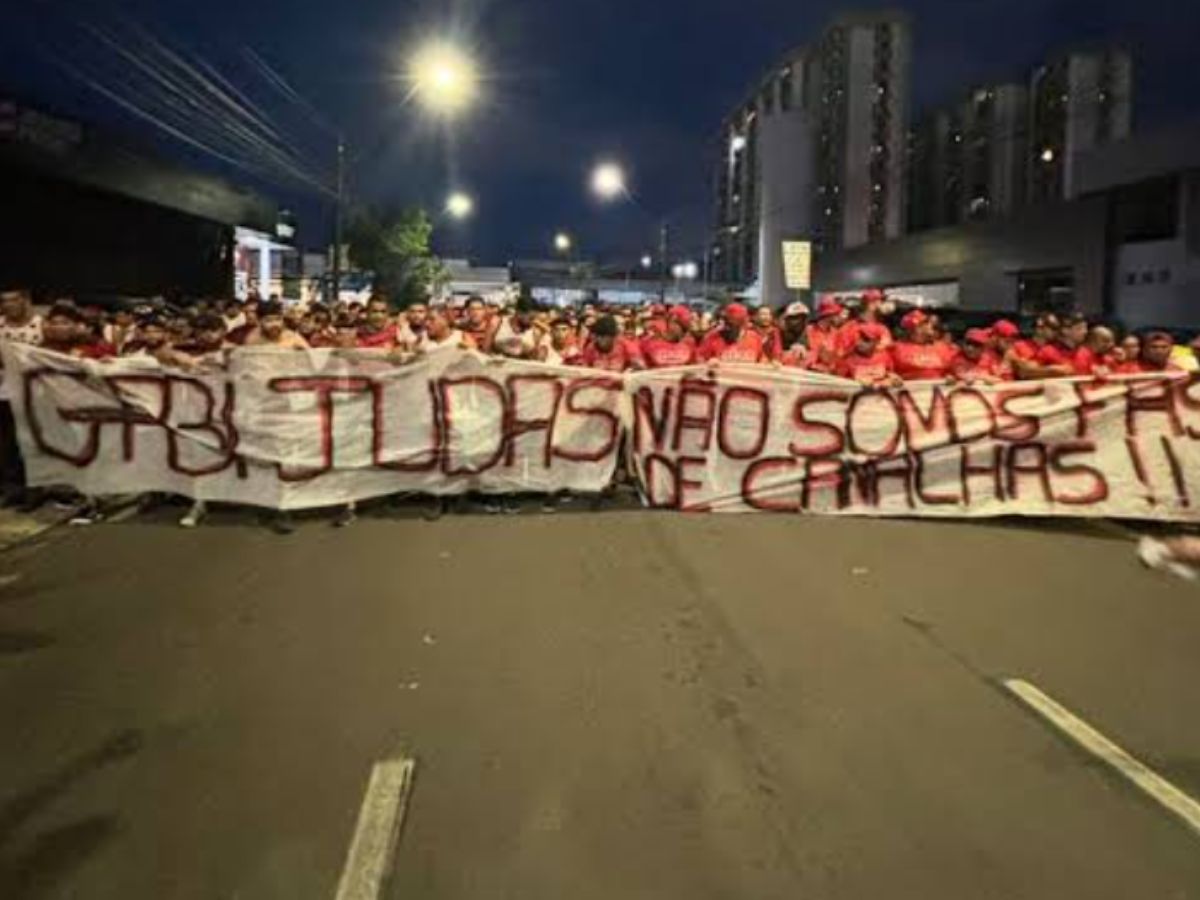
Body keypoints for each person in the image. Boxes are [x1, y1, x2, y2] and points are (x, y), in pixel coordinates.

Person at [0, 288, 44, 507]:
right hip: (4, 393)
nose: (8, 305)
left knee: (32, 441)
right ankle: (12, 489)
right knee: (7, 443)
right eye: (4, 301)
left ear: (26, 301)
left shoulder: (41, 325)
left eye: (14, 300)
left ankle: (35, 489)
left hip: (34, 393)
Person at [1012, 312, 1088, 379]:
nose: (1057, 331)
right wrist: (1052, 370)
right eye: (1053, 328)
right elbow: (1024, 372)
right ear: (1039, 329)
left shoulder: (1084, 351)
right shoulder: (1020, 346)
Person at [889, 310, 958, 381]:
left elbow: (956, 369)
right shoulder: (896, 348)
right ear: (912, 329)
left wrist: (951, 376)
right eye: (924, 323)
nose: (930, 325)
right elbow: (887, 371)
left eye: (928, 322)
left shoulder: (945, 347)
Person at [698, 302, 764, 363]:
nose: (726, 325)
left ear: (741, 323)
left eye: (731, 322)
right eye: (725, 320)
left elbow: (762, 363)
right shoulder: (712, 337)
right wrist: (708, 363)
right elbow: (699, 361)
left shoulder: (755, 338)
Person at [575, 315, 644, 371]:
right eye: (598, 336)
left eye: (604, 336)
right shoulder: (591, 348)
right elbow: (583, 369)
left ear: (613, 337)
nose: (600, 339)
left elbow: (641, 367)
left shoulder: (626, 345)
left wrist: (631, 370)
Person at [244, 300, 309, 349]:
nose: (274, 324)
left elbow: (312, 360)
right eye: (268, 320)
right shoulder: (253, 339)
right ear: (259, 321)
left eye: (278, 319)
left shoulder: (293, 338)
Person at [777, 301, 811, 368]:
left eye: (802, 318)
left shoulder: (808, 334)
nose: (799, 321)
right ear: (786, 319)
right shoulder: (776, 335)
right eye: (795, 318)